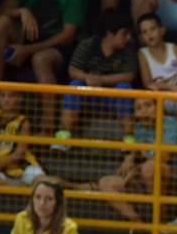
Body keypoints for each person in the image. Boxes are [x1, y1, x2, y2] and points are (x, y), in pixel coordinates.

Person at [0, 0, 84, 135]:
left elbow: (67, 35)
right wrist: (22, 11)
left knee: (40, 59)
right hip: (29, 37)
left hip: (58, 48)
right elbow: (1, 10)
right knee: (1, 22)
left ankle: (48, 128)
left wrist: (27, 50)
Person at [97, 96, 177, 223]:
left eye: (148, 105)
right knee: (106, 183)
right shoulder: (139, 128)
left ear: (158, 107)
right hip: (146, 177)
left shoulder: (170, 123)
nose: (143, 111)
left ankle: (159, 225)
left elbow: (163, 157)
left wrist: (136, 158)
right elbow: (140, 154)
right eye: (138, 108)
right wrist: (130, 159)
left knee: (150, 167)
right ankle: (139, 224)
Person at [53, 9, 138, 148]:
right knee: (75, 85)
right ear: (110, 33)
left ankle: (129, 139)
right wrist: (87, 78)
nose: (128, 37)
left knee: (125, 88)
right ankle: (64, 136)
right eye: (124, 33)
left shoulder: (128, 48)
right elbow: (73, 70)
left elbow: (128, 76)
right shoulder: (87, 44)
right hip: (88, 94)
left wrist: (101, 80)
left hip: (112, 96)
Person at [0, 89, 46, 188]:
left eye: (11, 96)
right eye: (3, 95)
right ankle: (24, 187)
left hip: (22, 167)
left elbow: (19, 154)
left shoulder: (23, 123)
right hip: (2, 172)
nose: (6, 100)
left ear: (19, 98)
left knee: (43, 182)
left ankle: (66, 184)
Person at [136, 12, 177, 127]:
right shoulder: (142, 54)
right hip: (158, 98)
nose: (149, 34)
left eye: (152, 29)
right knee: (148, 102)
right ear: (141, 38)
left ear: (162, 30)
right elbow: (148, 83)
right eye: (144, 32)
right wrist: (170, 87)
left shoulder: (175, 49)